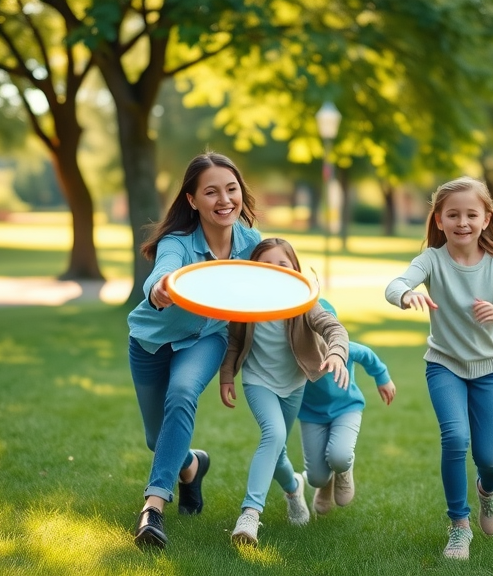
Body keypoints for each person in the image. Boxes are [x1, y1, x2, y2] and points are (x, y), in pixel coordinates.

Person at [384, 176, 493, 560]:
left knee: (488, 457)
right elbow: (395, 283)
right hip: (444, 365)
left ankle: (488, 491)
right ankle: (459, 527)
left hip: (489, 369)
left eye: (471, 214)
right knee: (454, 439)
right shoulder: (432, 260)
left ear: (486, 219)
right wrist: (405, 294)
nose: (462, 222)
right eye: (453, 214)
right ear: (439, 219)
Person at [127, 152, 262, 549]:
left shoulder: (251, 243)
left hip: (207, 339)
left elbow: (280, 278)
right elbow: (162, 272)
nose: (224, 200)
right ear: (192, 200)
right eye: (211, 192)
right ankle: (191, 465)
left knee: (183, 393)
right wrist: (160, 287)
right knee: (159, 440)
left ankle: (153, 508)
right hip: (150, 342)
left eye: (231, 189)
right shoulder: (178, 243)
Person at [219, 238, 350, 548]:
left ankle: (293, 488)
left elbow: (333, 328)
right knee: (273, 435)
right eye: (266, 267)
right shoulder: (246, 305)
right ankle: (250, 514)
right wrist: (227, 376)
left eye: (283, 265)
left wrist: (336, 353)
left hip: (293, 385)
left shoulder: (303, 301)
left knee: (276, 449)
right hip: (257, 381)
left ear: (295, 271)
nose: (276, 272)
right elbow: (235, 341)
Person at [298, 298, 396, 515]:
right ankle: (325, 484)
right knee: (315, 477)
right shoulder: (297, 355)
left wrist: (383, 378)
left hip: (346, 409)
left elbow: (369, 357)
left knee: (339, 456)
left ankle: (343, 469)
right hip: (311, 415)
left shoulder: (346, 349)